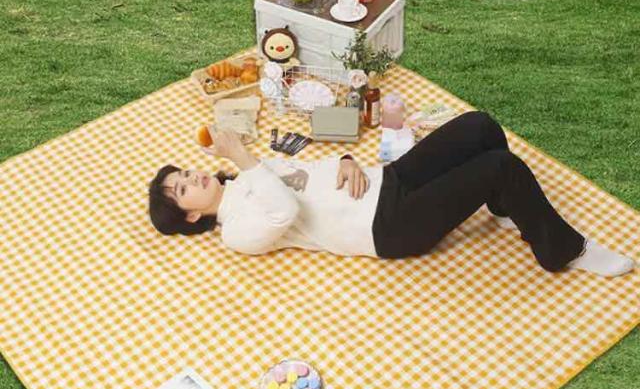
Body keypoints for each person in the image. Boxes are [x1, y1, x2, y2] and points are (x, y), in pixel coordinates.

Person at [148, 110, 635, 277]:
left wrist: (344, 159)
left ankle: (509, 208)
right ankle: (562, 250)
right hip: (388, 226)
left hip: (386, 181)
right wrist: (244, 158)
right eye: (182, 190)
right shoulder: (235, 231)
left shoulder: (248, 174)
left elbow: (305, 172)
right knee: (500, 167)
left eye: (185, 173)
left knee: (480, 127)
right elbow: (284, 208)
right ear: (190, 217)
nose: (192, 178)